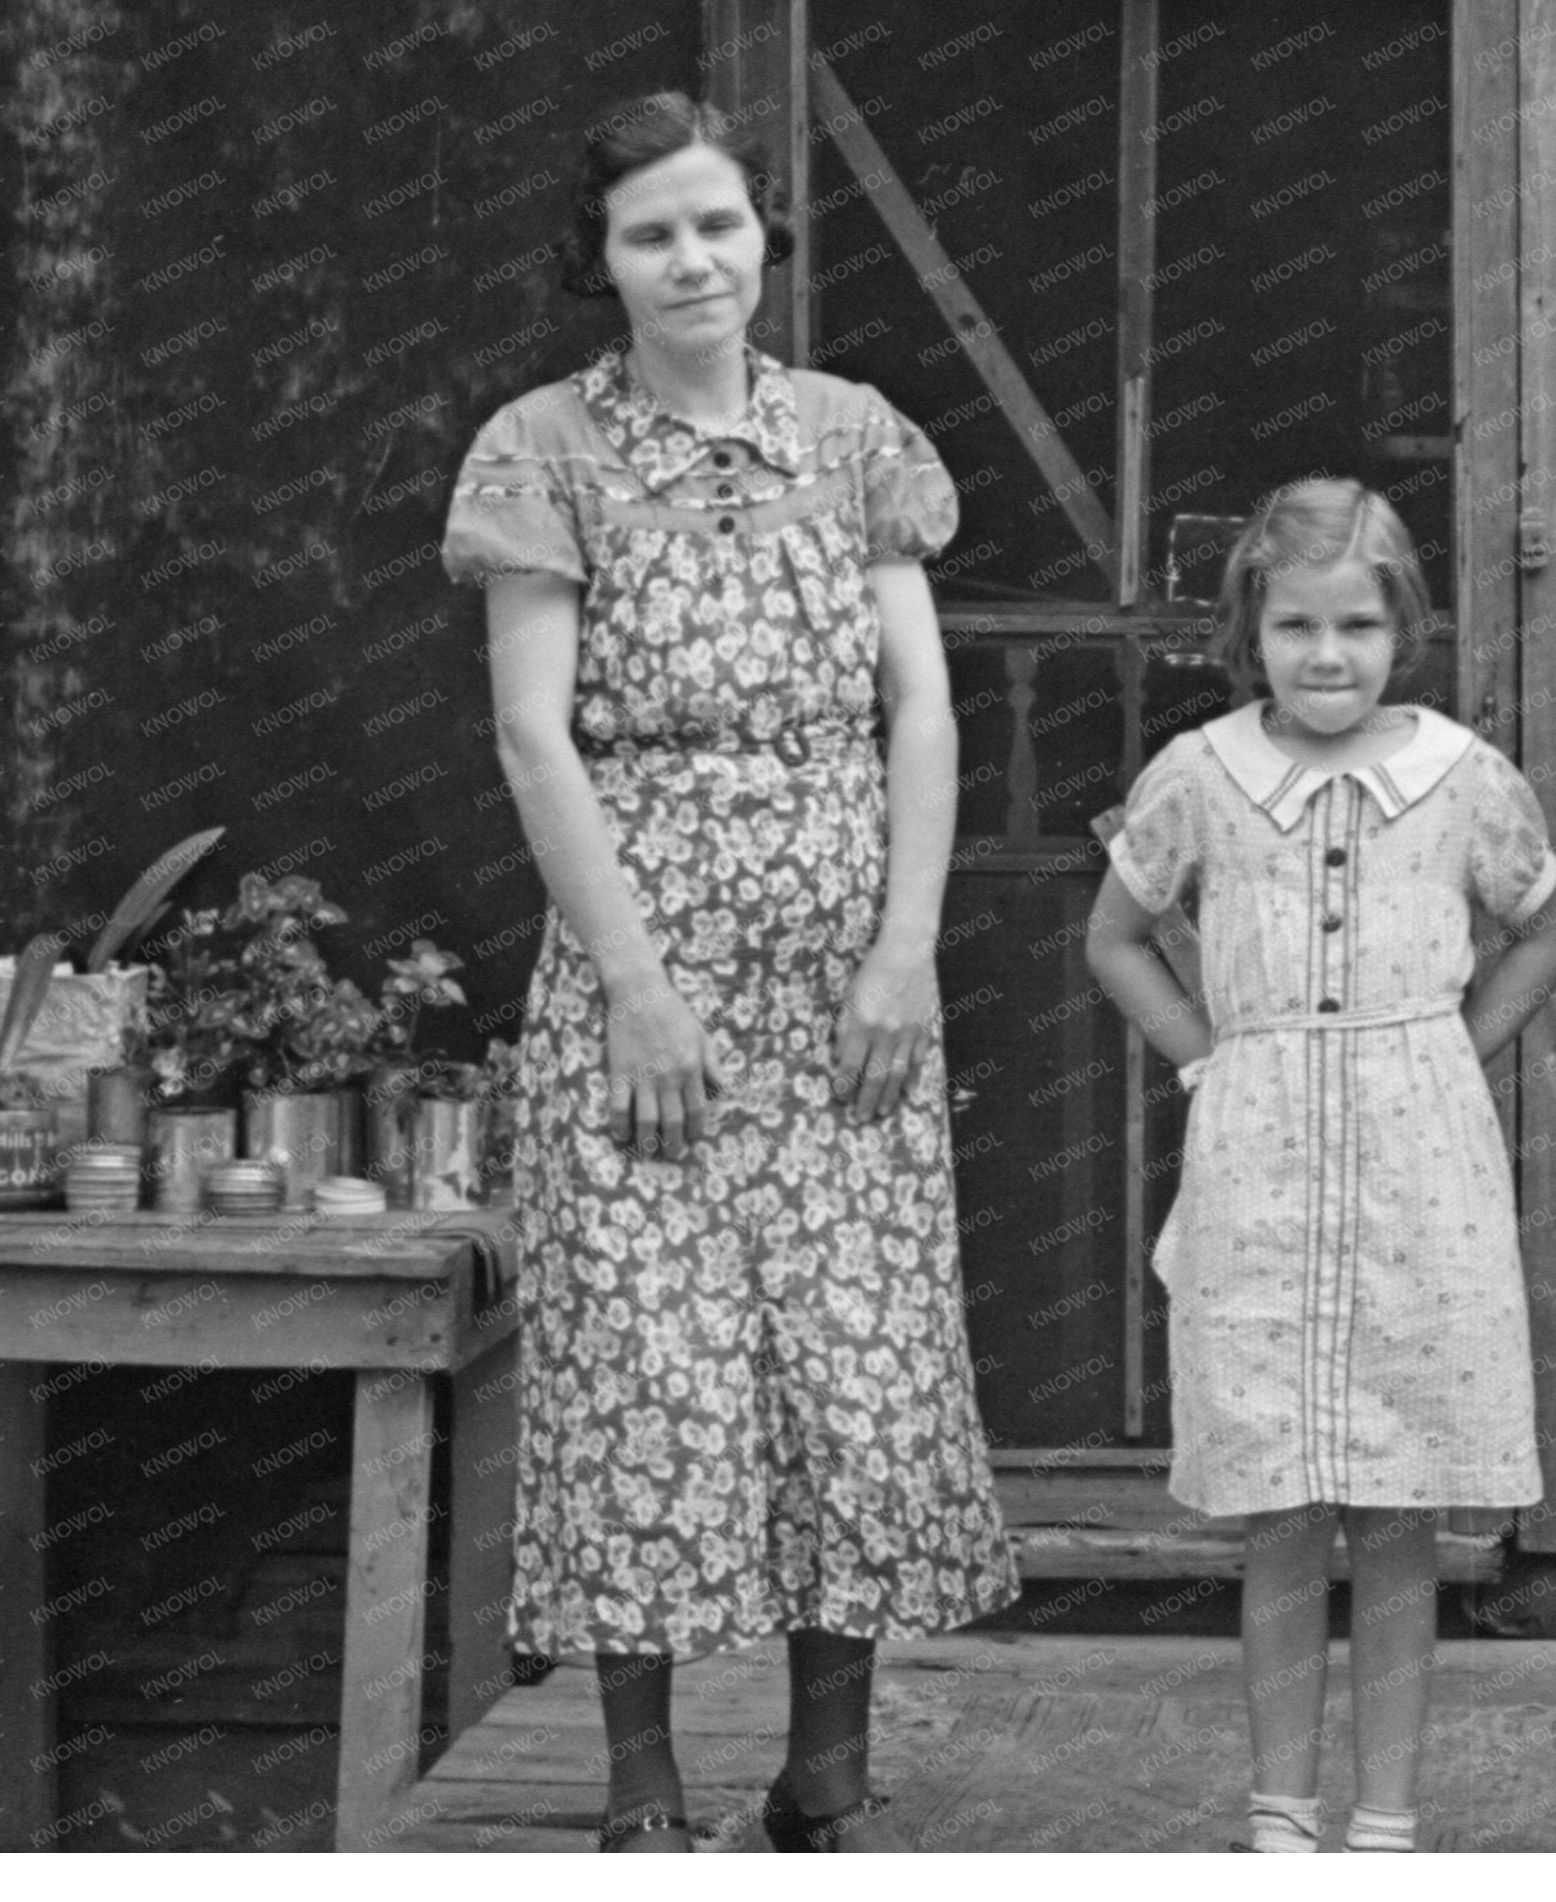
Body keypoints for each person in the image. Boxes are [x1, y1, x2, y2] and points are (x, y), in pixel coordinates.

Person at [442, 93, 1018, 1853]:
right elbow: (538, 739)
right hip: (647, 983)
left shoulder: (852, 439)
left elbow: (916, 706)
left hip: (845, 979)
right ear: (598, 263)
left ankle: (825, 1770)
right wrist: (635, 989)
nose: (692, 261)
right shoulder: (542, 448)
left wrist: (904, 955)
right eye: (650, 234)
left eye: (717, 224)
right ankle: (638, 1784)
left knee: (854, 1363)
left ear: (763, 236)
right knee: (649, 1365)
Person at [1085, 479, 1556, 1854]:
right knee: (1283, 1509)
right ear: (1253, 629)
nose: (1325, 655)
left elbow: (1543, 926)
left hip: (1420, 1168)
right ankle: (1279, 1816)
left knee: (1403, 1505)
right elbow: (1116, 936)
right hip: (1260, 1160)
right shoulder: (1200, 775)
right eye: (1295, 624)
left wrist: (1450, 1049)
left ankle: (1387, 1821)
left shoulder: (1461, 775)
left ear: (1400, 628)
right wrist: (1205, 1056)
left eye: (1355, 624)